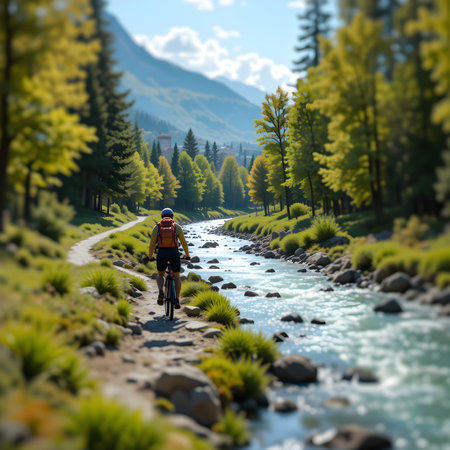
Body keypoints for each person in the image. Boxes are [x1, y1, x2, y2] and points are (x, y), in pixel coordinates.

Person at [148, 208, 190, 309]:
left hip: (162, 253)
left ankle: (161, 292)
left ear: (162, 217)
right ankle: (177, 299)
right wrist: (187, 255)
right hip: (174, 252)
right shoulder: (176, 227)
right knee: (177, 277)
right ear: (172, 217)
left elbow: (152, 244)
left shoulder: (157, 227)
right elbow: (183, 242)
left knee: (160, 274)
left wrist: (150, 256)